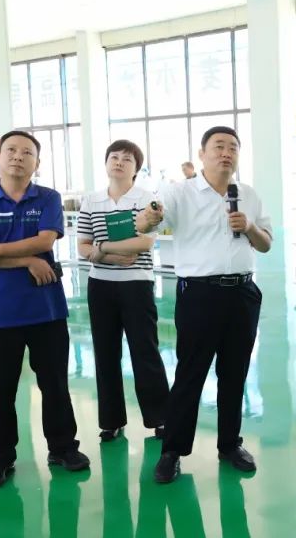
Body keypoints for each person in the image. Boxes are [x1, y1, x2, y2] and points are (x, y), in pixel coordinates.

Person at [136, 125, 272, 482]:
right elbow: (147, 221)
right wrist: (149, 216)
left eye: (233, 148)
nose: (226, 153)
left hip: (243, 293)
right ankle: (172, 451)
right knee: (190, 373)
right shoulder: (180, 192)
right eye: (218, 146)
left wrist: (250, 227)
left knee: (235, 373)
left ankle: (230, 444)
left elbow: (266, 243)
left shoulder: (248, 194)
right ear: (202, 154)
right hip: (199, 294)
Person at [0, 130, 89, 490]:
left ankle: (63, 448)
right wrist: (28, 259)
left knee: (55, 384)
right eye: (11, 150)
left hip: (46, 310)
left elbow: (45, 240)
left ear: (37, 162)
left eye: (27, 152)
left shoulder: (48, 198)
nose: (18, 157)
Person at [76, 139, 170, 443]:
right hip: (100, 285)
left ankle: (160, 417)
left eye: (127, 159)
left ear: (136, 169)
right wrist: (107, 255)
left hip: (136, 284)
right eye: (114, 157)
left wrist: (102, 247)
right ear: (106, 163)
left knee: (145, 350)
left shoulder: (146, 199)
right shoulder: (91, 201)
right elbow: (82, 246)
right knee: (105, 353)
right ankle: (111, 420)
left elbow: (145, 242)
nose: (119, 162)